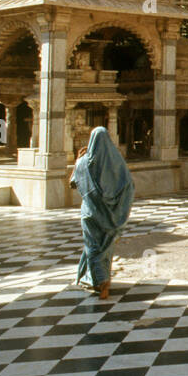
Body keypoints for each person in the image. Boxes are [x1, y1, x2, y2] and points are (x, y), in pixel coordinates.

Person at [69, 126, 135, 300]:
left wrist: (78, 160)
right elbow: (128, 186)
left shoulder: (83, 162)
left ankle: (100, 280)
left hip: (90, 212)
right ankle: (100, 279)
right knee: (105, 247)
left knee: (92, 246)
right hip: (111, 215)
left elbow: (73, 183)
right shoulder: (117, 162)